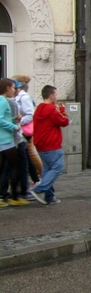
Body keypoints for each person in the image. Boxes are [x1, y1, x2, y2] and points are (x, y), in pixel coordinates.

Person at [29, 85, 69, 205]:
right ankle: (39, 189)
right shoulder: (52, 110)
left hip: (40, 144)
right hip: (52, 144)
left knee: (47, 170)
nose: (56, 97)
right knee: (58, 167)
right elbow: (64, 121)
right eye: (56, 94)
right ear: (51, 96)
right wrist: (62, 110)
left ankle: (49, 197)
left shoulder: (39, 108)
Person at [0, 78, 28, 206]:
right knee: (17, 165)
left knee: (3, 168)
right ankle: (15, 196)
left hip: (4, 140)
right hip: (5, 140)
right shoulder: (3, 101)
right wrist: (14, 127)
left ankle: (4, 196)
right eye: (12, 87)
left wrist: (13, 119)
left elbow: (3, 118)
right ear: (7, 88)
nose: (14, 90)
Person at [14, 75, 41, 186]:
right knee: (28, 156)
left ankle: (39, 177)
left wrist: (17, 123)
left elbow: (30, 114)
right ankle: (36, 179)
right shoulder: (18, 97)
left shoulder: (24, 97)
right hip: (20, 131)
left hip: (24, 131)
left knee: (29, 155)